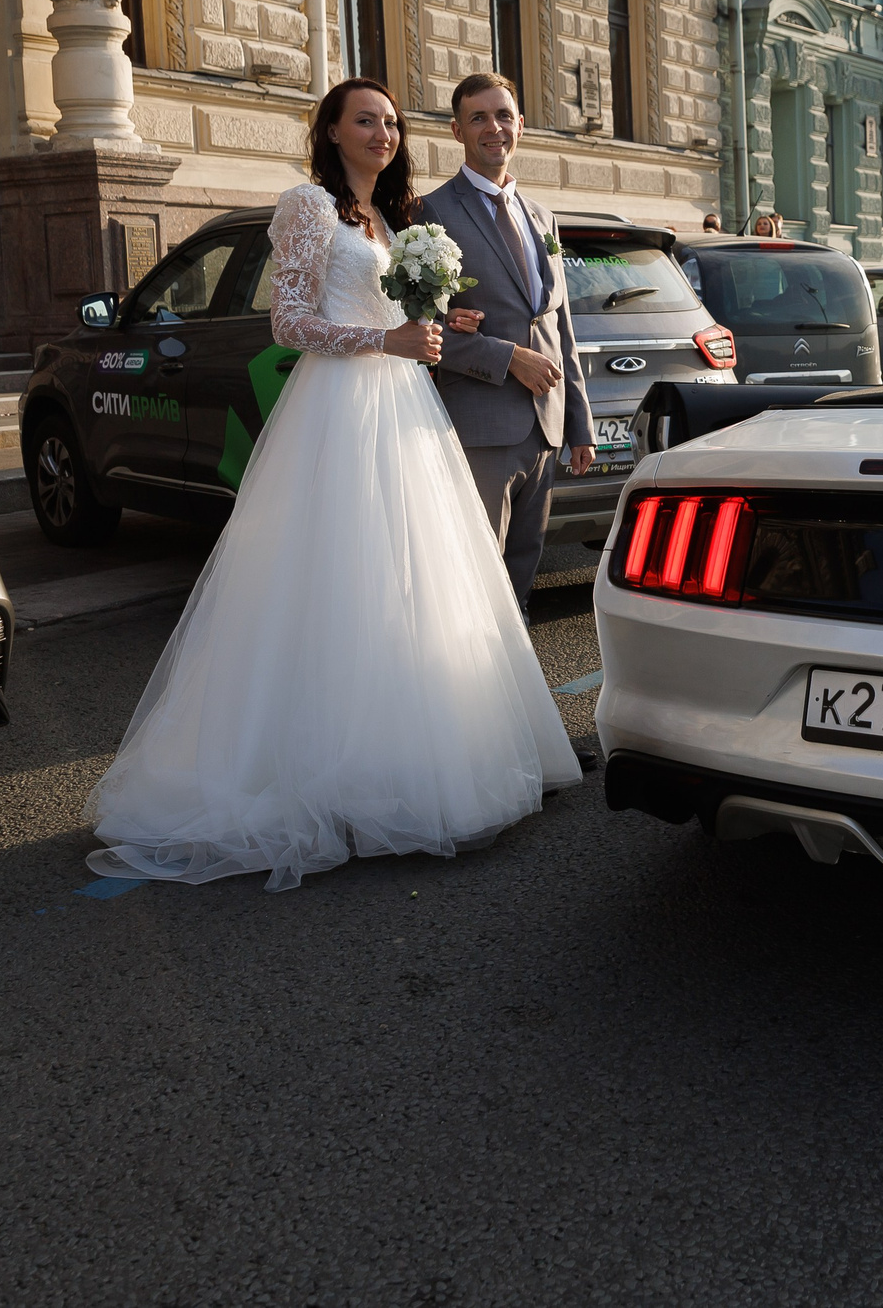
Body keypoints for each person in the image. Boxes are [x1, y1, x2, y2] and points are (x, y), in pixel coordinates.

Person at [83, 77, 579, 890]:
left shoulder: (393, 218)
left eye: (391, 122)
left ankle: (404, 761)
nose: (383, 133)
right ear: (333, 131)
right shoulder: (307, 207)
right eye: (366, 120)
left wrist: (437, 325)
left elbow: (393, 313)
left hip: (403, 407)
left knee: (410, 585)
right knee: (336, 583)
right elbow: (287, 323)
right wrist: (385, 341)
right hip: (338, 409)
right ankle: (323, 777)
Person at [415, 73, 595, 613]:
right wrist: (507, 357)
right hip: (481, 426)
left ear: (520, 125)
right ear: (457, 130)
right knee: (476, 573)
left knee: (522, 570)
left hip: (546, 427)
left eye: (503, 116)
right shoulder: (431, 213)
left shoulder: (541, 216)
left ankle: (510, 665)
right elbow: (418, 330)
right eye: (478, 118)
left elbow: (560, 326)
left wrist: (579, 424)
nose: (493, 128)